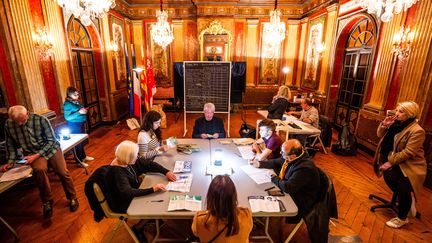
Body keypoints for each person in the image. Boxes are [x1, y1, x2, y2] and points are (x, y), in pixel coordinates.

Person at [1, 105, 79, 218]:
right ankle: (47, 201)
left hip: (51, 148)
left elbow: (51, 140)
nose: (20, 124)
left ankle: (72, 197)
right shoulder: (9, 124)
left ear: (27, 113)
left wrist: (37, 155)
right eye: (17, 122)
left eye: (22, 121)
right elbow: (10, 144)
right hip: (32, 153)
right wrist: (10, 162)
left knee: (62, 171)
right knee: (39, 170)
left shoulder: (41, 119)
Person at [109, 140, 176, 241]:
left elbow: (148, 164)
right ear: (128, 157)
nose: (137, 157)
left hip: (133, 192)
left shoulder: (125, 161)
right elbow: (128, 192)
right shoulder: (117, 173)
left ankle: (150, 220)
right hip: (123, 201)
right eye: (135, 155)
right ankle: (138, 227)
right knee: (155, 202)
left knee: (157, 198)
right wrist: (153, 189)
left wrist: (165, 172)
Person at [374, 101, 426, 229]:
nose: (397, 114)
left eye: (401, 112)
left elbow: (408, 152)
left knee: (403, 189)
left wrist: (389, 162)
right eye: (397, 110)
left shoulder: (417, 131)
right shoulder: (395, 124)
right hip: (393, 160)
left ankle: (402, 218)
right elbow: (380, 135)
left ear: (410, 114)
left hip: (410, 165)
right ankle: (407, 199)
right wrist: (384, 125)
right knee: (389, 178)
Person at [252, 139, 321, 221]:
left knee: (264, 195)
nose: (280, 154)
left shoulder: (304, 168)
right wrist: (259, 164)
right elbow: (276, 162)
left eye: (283, 153)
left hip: (299, 198)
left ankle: (262, 217)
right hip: (291, 188)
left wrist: (273, 177)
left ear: (293, 156)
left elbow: (288, 187)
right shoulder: (295, 156)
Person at [191, 175, 252, 243]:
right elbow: (249, 229)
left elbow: (196, 233)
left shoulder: (200, 219)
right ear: (234, 196)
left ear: (210, 197)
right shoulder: (246, 214)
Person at [63, 87, 94, 167]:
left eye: (77, 94)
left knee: (82, 142)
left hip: (80, 123)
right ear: (69, 95)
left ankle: (83, 157)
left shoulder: (75, 101)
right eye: (75, 94)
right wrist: (79, 112)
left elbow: (79, 110)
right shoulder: (67, 104)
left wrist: (84, 111)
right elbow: (67, 117)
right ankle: (79, 162)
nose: (77, 96)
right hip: (74, 125)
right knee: (77, 144)